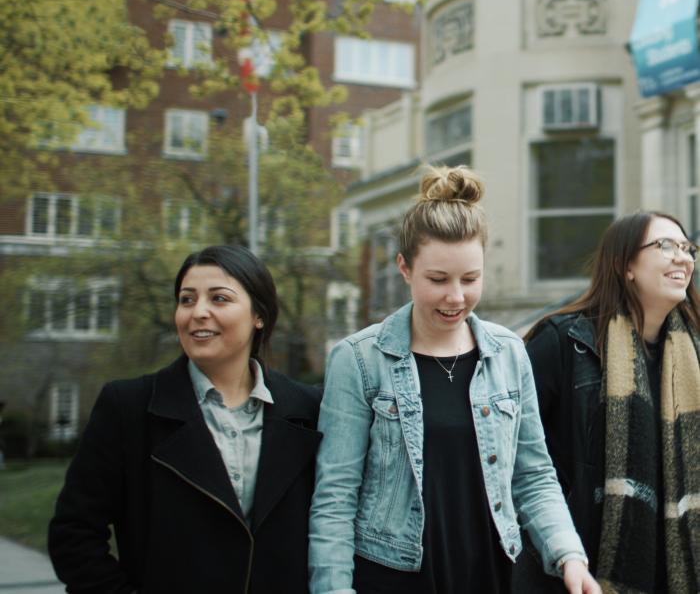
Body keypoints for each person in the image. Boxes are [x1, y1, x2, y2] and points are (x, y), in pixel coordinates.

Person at [308, 165, 600, 594]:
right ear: (404, 268)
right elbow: (335, 497)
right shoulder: (358, 359)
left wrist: (569, 556)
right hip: (391, 577)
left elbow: (534, 476)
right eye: (438, 279)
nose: (456, 297)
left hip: (490, 572)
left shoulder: (508, 353)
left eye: (471, 278)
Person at [49, 244, 322, 594]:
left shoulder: (309, 409)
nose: (198, 312)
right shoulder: (128, 407)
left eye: (219, 299)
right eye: (187, 299)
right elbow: (74, 535)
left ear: (260, 315)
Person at [512, 211, 700, 594]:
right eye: (666, 246)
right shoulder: (564, 342)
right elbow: (510, 454)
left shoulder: (694, 355)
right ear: (625, 264)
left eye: (687, 247)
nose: (683, 257)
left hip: (673, 572)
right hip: (575, 572)